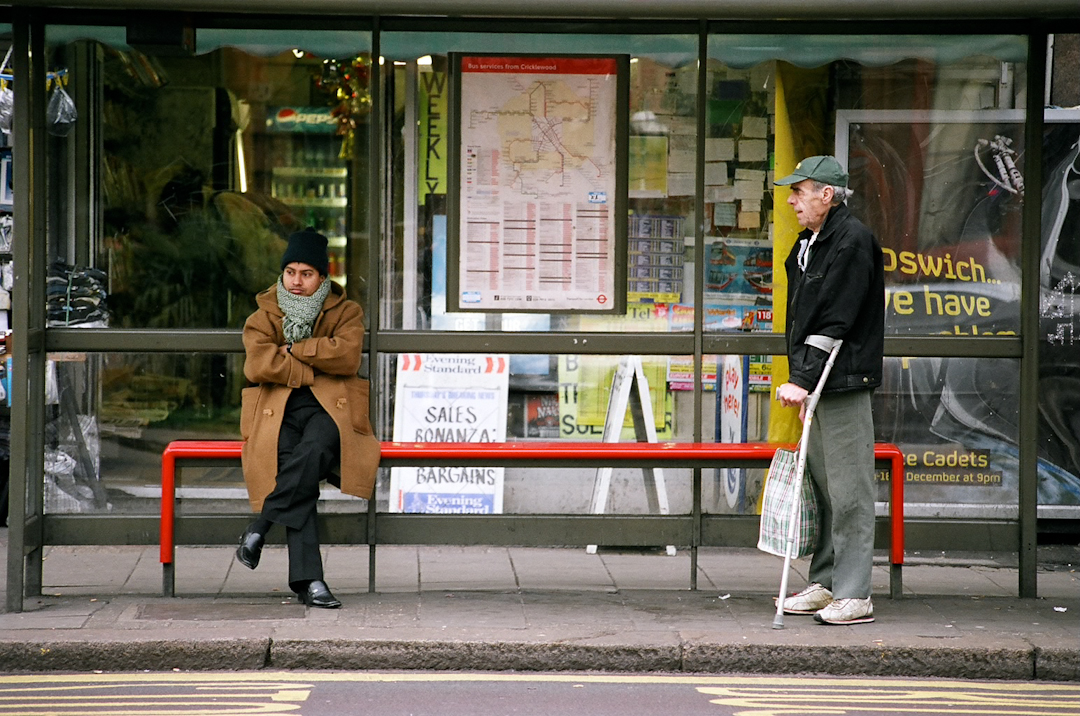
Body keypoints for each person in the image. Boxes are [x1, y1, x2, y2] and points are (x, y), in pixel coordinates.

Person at [236, 227, 380, 608]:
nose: (296, 282)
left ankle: (260, 527)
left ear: (322, 277)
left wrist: (294, 349)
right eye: (290, 272)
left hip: (329, 409)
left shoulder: (346, 311)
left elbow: (346, 356)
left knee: (312, 452)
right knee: (299, 480)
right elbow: (258, 364)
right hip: (278, 412)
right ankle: (311, 581)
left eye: (306, 273)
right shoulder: (264, 313)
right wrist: (314, 363)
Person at [773, 155, 885, 625]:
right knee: (822, 488)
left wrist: (802, 381)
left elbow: (835, 319)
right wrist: (806, 385)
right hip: (821, 385)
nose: (792, 200)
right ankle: (826, 582)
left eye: (799, 191)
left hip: (841, 382)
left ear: (827, 194)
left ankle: (855, 593)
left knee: (850, 491)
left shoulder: (851, 240)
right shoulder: (811, 243)